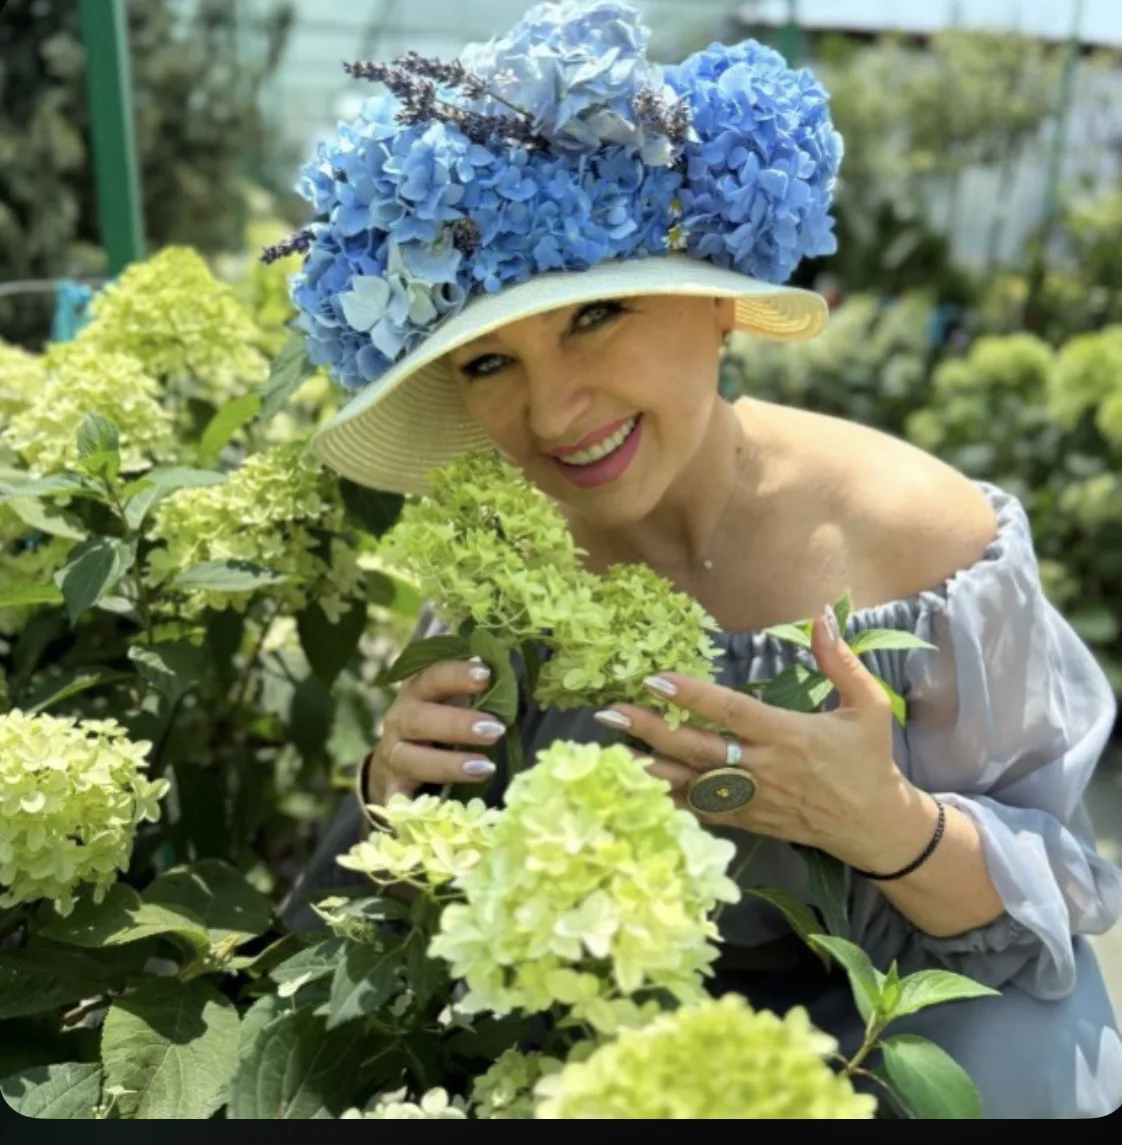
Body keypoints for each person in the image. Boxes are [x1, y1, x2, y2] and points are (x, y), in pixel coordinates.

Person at [274, 1, 1122, 1118]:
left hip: (914, 1024)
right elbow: (388, 915)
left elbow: (1055, 904)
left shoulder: (922, 541)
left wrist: (884, 821)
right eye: (487, 363)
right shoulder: (502, 572)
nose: (553, 412)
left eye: (596, 314)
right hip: (607, 1036)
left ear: (716, 295)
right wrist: (391, 792)